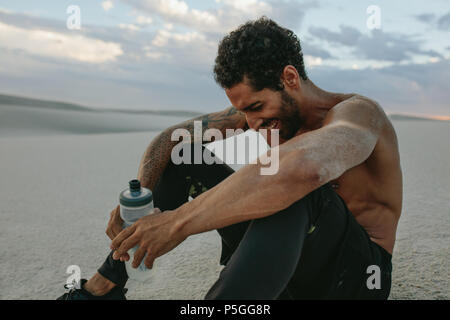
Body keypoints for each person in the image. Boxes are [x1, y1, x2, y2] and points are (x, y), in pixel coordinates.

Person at [58, 17, 402, 300]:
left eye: (256, 107)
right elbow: (170, 140)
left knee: (291, 190)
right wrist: (141, 201)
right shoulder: (258, 115)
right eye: (243, 111)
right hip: (288, 271)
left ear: (290, 78)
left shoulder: (357, 115)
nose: (251, 124)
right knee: (185, 155)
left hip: (355, 282)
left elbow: (304, 170)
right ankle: (103, 287)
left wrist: (177, 222)